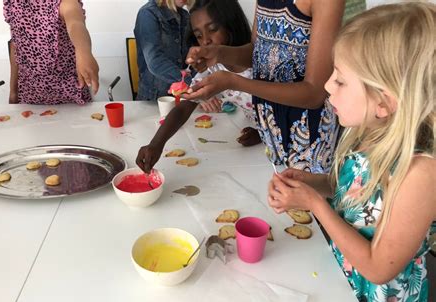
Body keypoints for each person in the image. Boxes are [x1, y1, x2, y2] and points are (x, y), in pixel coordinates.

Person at [267, 3, 435, 302]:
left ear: (384, 101)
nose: (327, 85)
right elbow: (352, 190)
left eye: (340, 79)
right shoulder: (370, 132)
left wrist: (315, 205)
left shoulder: (421, 173)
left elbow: (377, 267)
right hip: (344, 277)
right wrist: (312, 183)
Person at [183, 0, 344, 173]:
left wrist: (233, 81)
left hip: (311, 137)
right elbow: (256, 52)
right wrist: (219, 53)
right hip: (274, 130)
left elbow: (314, 94)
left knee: (312, 196)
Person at [136, 0, 260, 173]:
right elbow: (184, 107)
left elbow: (286, 104)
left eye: (213, 29)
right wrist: (155, 144)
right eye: (199, 36)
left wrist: (265, 133)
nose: (206, 41)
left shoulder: (262, 60)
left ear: (231, 23)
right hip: (263, 142)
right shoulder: (214, 67)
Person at [4, 0, 99, 105]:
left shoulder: (63, 2)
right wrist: (13, 90)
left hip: (70, 97)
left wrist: (83, 51)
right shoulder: (13, 3)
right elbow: (16, 46)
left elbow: (75, 23)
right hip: (30, 97)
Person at [134, 0, 195, 101]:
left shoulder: (185, 15)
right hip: (154, 97)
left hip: (182, 94)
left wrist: (200, 85)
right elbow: (155, 61)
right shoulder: (148, 13)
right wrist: (190, 82)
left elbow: (193, 55)